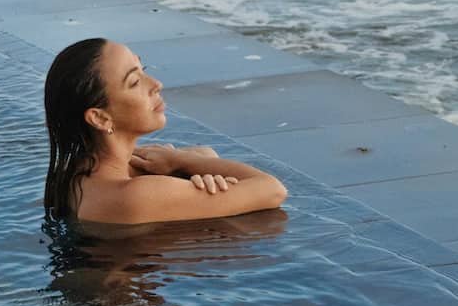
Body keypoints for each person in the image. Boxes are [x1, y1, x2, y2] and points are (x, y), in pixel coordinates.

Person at [43, 37, 288, 224]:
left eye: (143, 69)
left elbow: (205, 151)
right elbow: (272, 190)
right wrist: (179, 160)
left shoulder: (77, 172)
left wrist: (185, 165)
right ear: (100, 117)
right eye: (135, 82)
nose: (156, 85)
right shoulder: (133, 195)